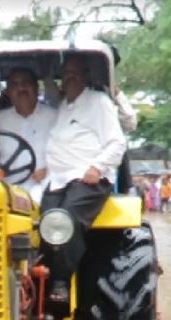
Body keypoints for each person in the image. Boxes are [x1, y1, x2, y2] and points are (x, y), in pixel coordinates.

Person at [41, 54, 127, 304]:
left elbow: (117, 142)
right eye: (66, 72)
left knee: (67, 221)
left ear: (87, 77)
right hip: (58, 180)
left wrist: (97, 168)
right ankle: (37, 284)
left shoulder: (98, 102)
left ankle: (60, 283)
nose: (70, 76)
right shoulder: (62, 106)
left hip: (89, 178)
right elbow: (48, 91)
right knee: (41, 226)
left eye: (75, 72)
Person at [0, 67, 57, 202]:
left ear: (36, 88)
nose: (21, 89)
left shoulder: (54, 116)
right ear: (8, 92)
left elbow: (67, 151)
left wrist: (50, 169)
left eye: (26, 83)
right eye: (15, 85)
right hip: (8, 187)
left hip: (46, 186)